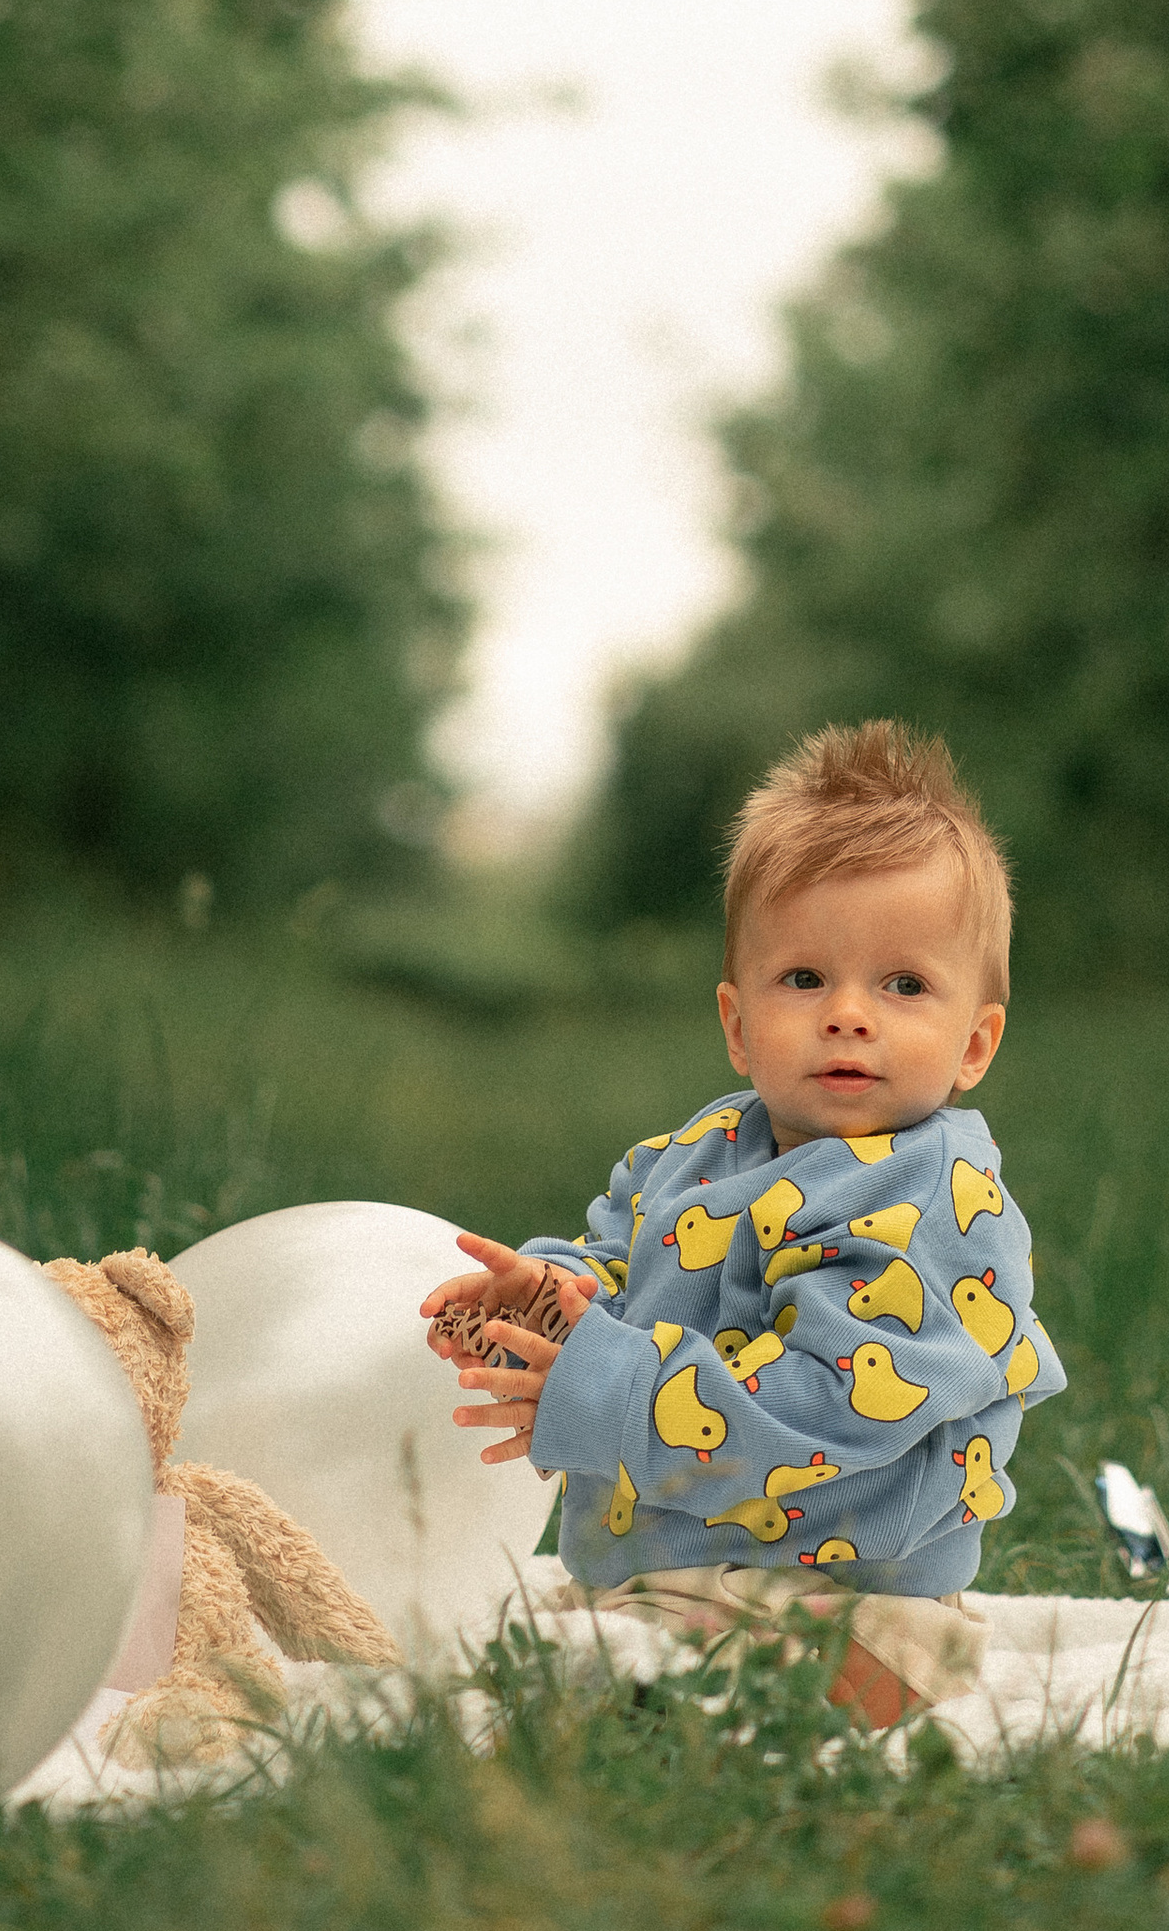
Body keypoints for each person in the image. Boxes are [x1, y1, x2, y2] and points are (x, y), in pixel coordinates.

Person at [420, 719, 1066, 1726]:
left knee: (657, 1678)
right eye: (805, 978)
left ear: (974, 1042)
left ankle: (685, 1683)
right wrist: (546, 1304)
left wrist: (617, 1393)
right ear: (736, 1023)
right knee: (546, 1640)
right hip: (683, 1560)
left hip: (848, 1593)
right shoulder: (694, 1153)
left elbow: (831, 1405)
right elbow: (618, 1261)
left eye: (903, 985)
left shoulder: (930, 1200)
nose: (848, 1013)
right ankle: (636, 1656)